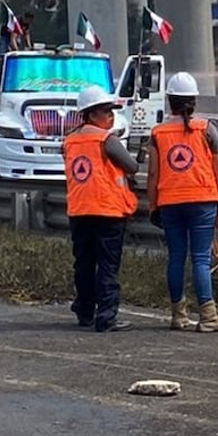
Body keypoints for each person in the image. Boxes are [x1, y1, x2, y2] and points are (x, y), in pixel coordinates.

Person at [145, 72, 218, 333]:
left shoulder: (157, 133)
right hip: (203, 200)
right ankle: (208, 316)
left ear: (169, 101)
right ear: (194, 102)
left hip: (169, 202)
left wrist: (153, 206)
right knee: (200, 258)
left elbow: (153, 174)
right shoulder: (206, 129)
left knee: (176, 257)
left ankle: (178, 315)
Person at [63, 86, 139, 333]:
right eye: (107, 111)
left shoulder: (69, 140)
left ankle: (84, 311)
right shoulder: (106, 139)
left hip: (79, 211)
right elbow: (132, 166)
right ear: (91, 114)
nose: (111, 116)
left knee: (83, 264)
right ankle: (106, 316)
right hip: (108, 211)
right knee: (107, 265)